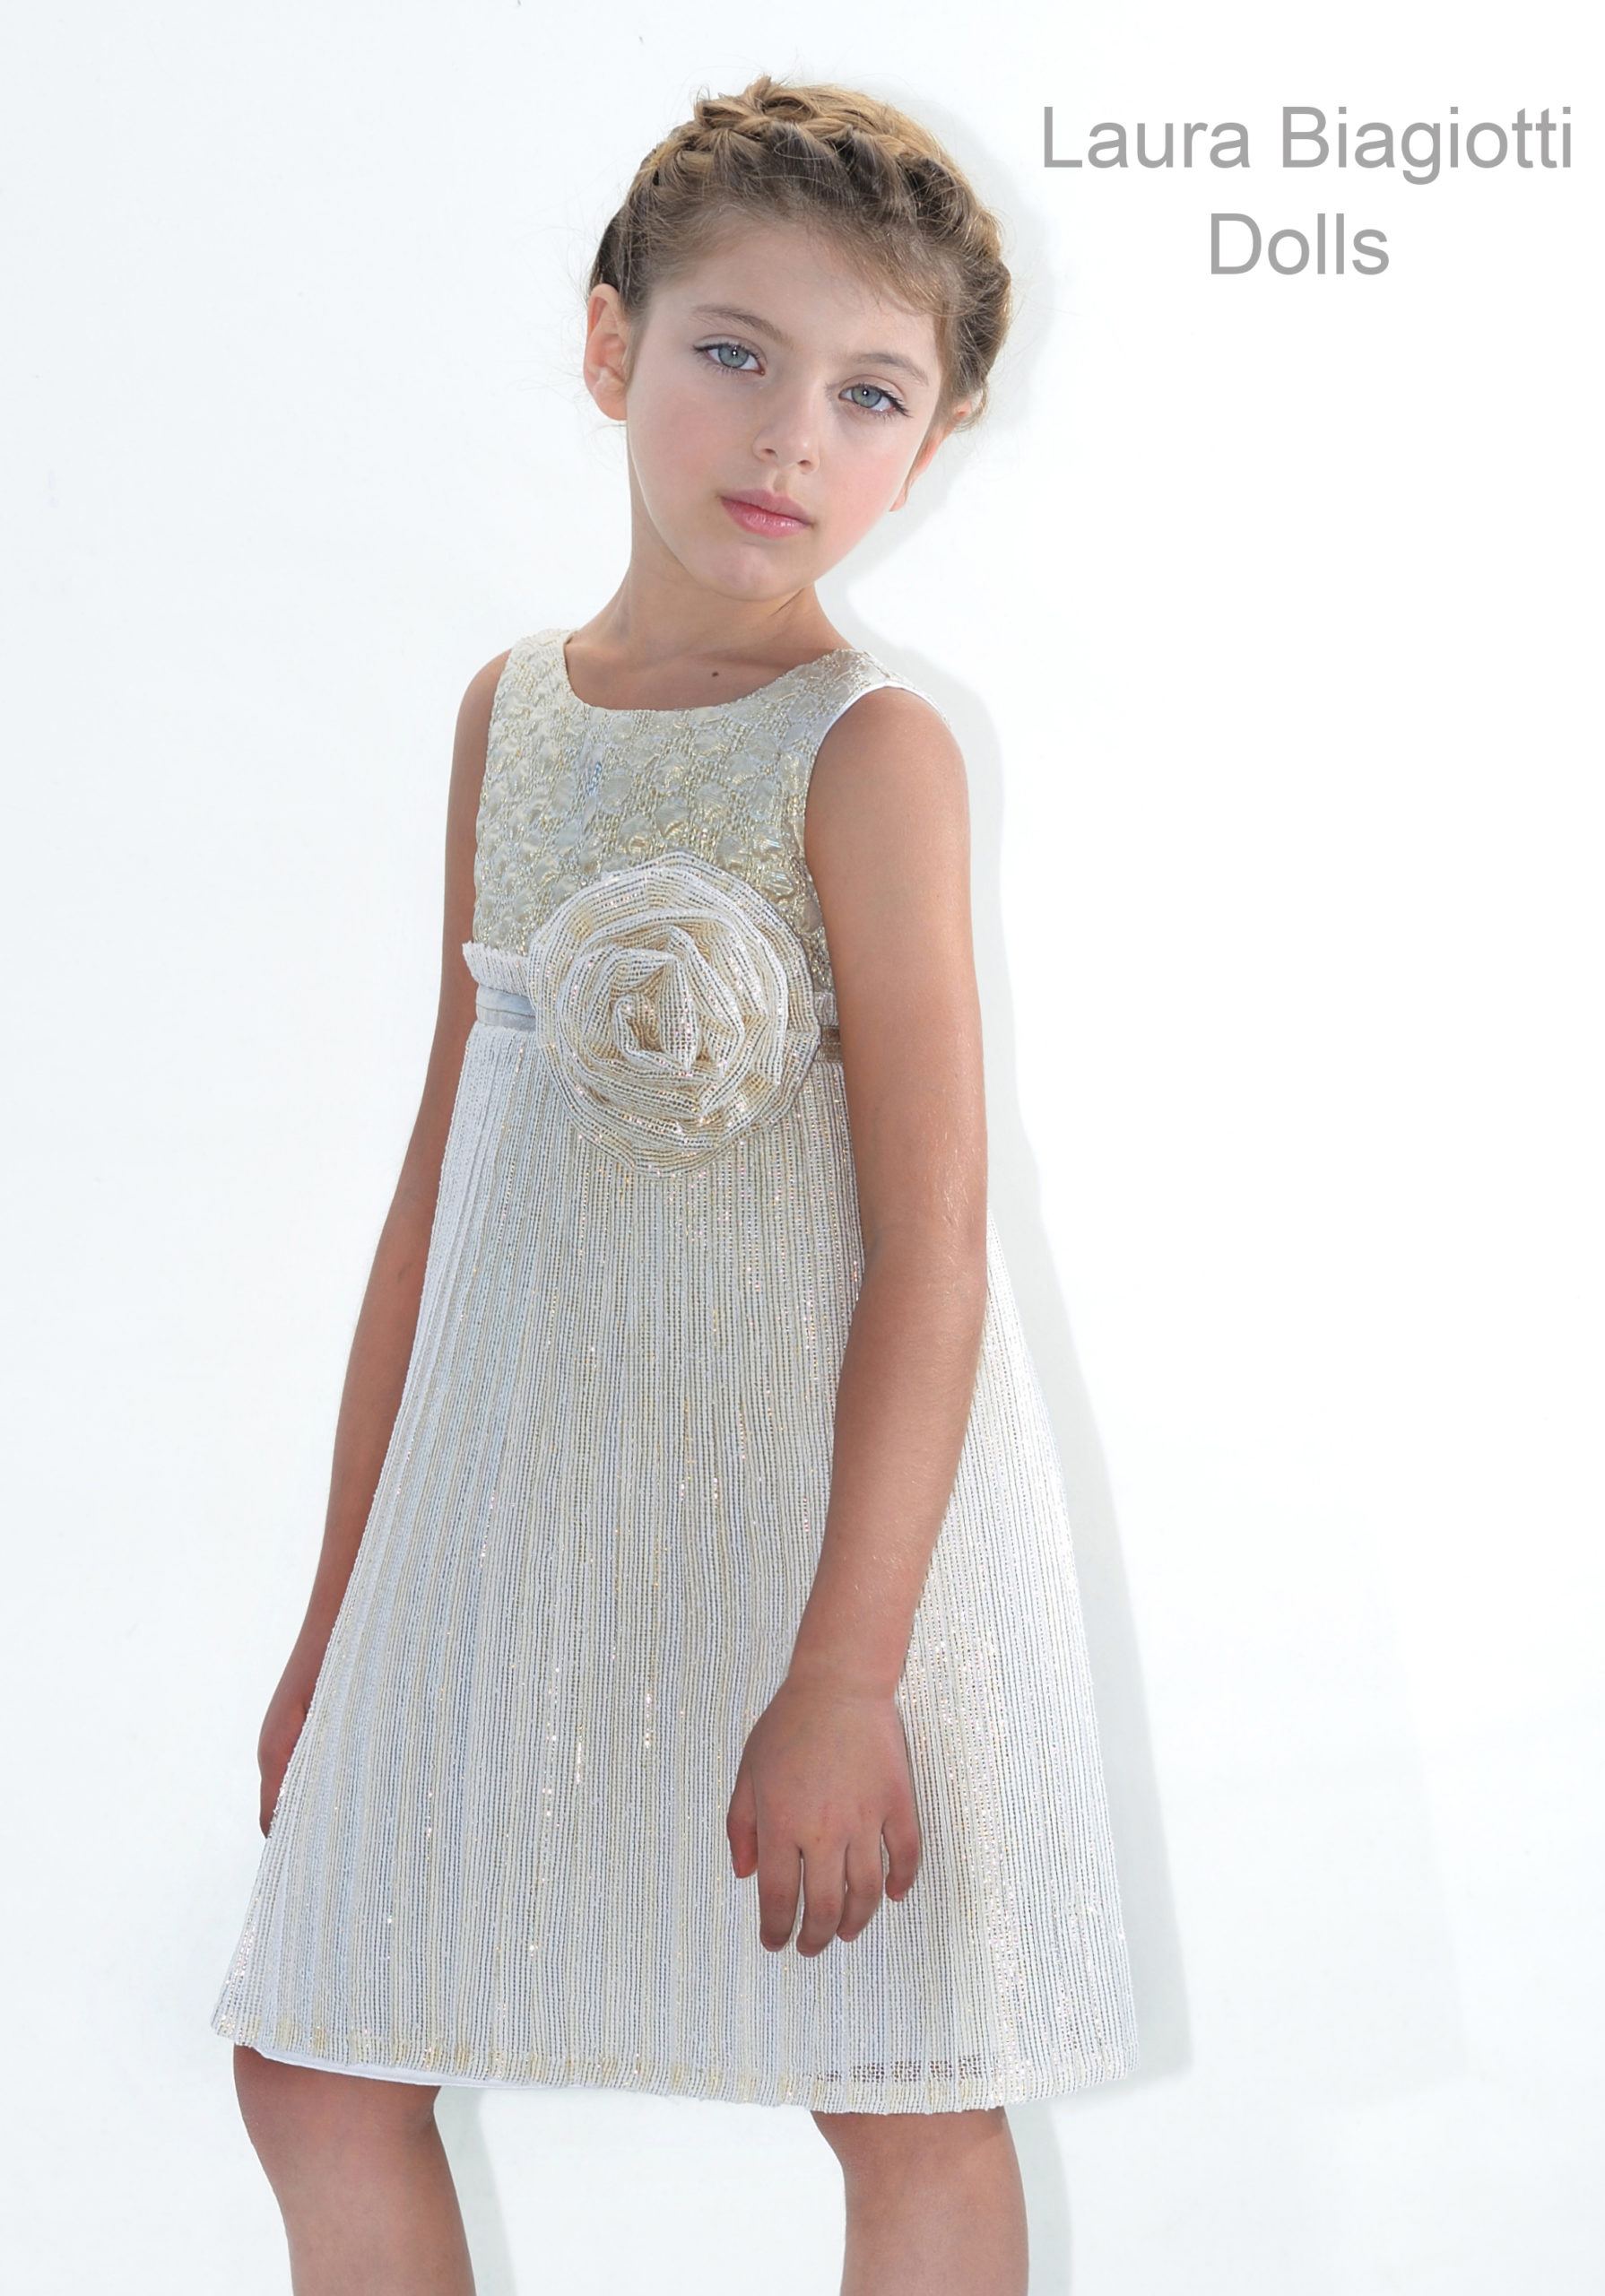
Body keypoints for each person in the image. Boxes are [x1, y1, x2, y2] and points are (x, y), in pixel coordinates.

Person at [212, 74, 1138, 2296]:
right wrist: (343, 1606)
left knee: (900, 2076)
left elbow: (932, 1249)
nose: (791, 435)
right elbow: (442, 1183)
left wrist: (848, 1671)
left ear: (938, 437)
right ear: (610, 342)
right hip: (527, 1498)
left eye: (870, 393)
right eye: (735, 350)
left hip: (830, 1524)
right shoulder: (512, 714)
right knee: (318, 2064)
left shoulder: (872, 750)